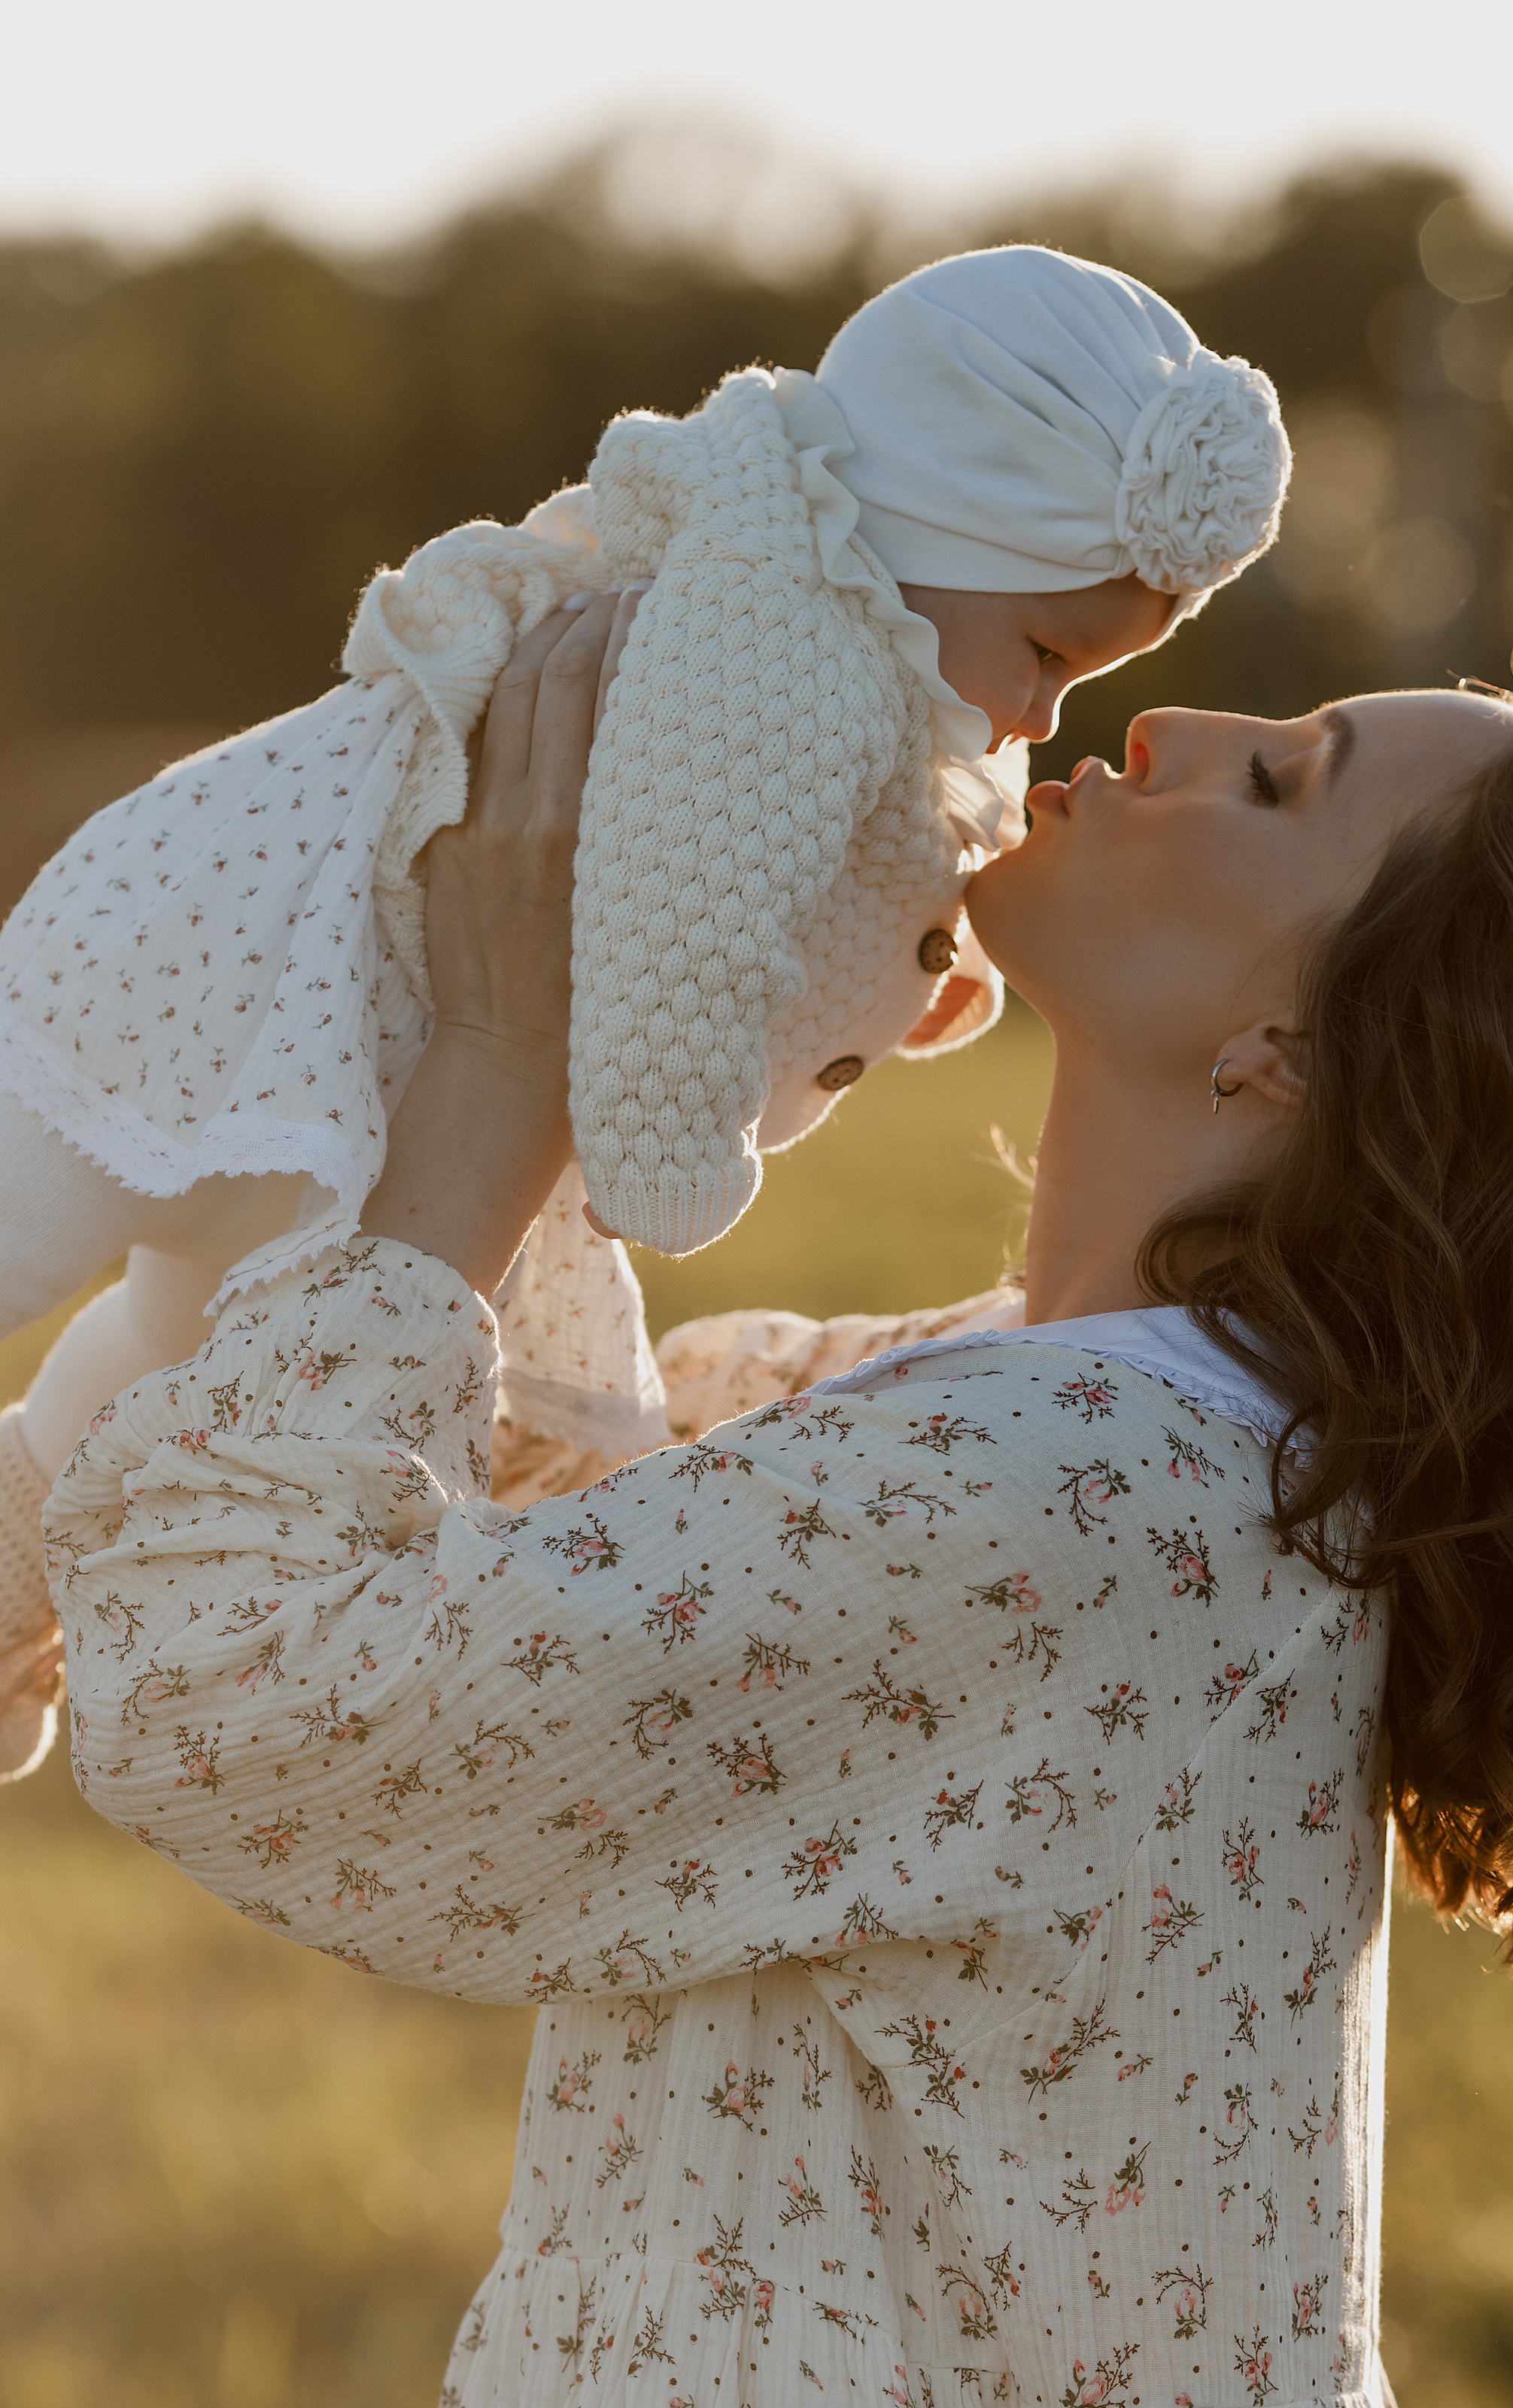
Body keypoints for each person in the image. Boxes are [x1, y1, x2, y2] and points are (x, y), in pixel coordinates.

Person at [44, 600, 1513, 2408]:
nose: (1176, 720)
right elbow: (561, 1495)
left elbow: (272, 1692)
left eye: (1283, 778)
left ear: (1299, 1042)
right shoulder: (1107, 1422)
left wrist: (498, 1075)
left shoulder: (1087, 1500)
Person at [0, 244, 1289, 1774]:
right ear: (948, 523)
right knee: (42, 1226)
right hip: (238, 963)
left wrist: (921, 976)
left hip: (353, 1079)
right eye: (1049, 655)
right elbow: (684, 924)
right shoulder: (768, 643)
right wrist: (672, 1154)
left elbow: (882, 858)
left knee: (163, 1352)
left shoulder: (879, 633)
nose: (1040, 714)